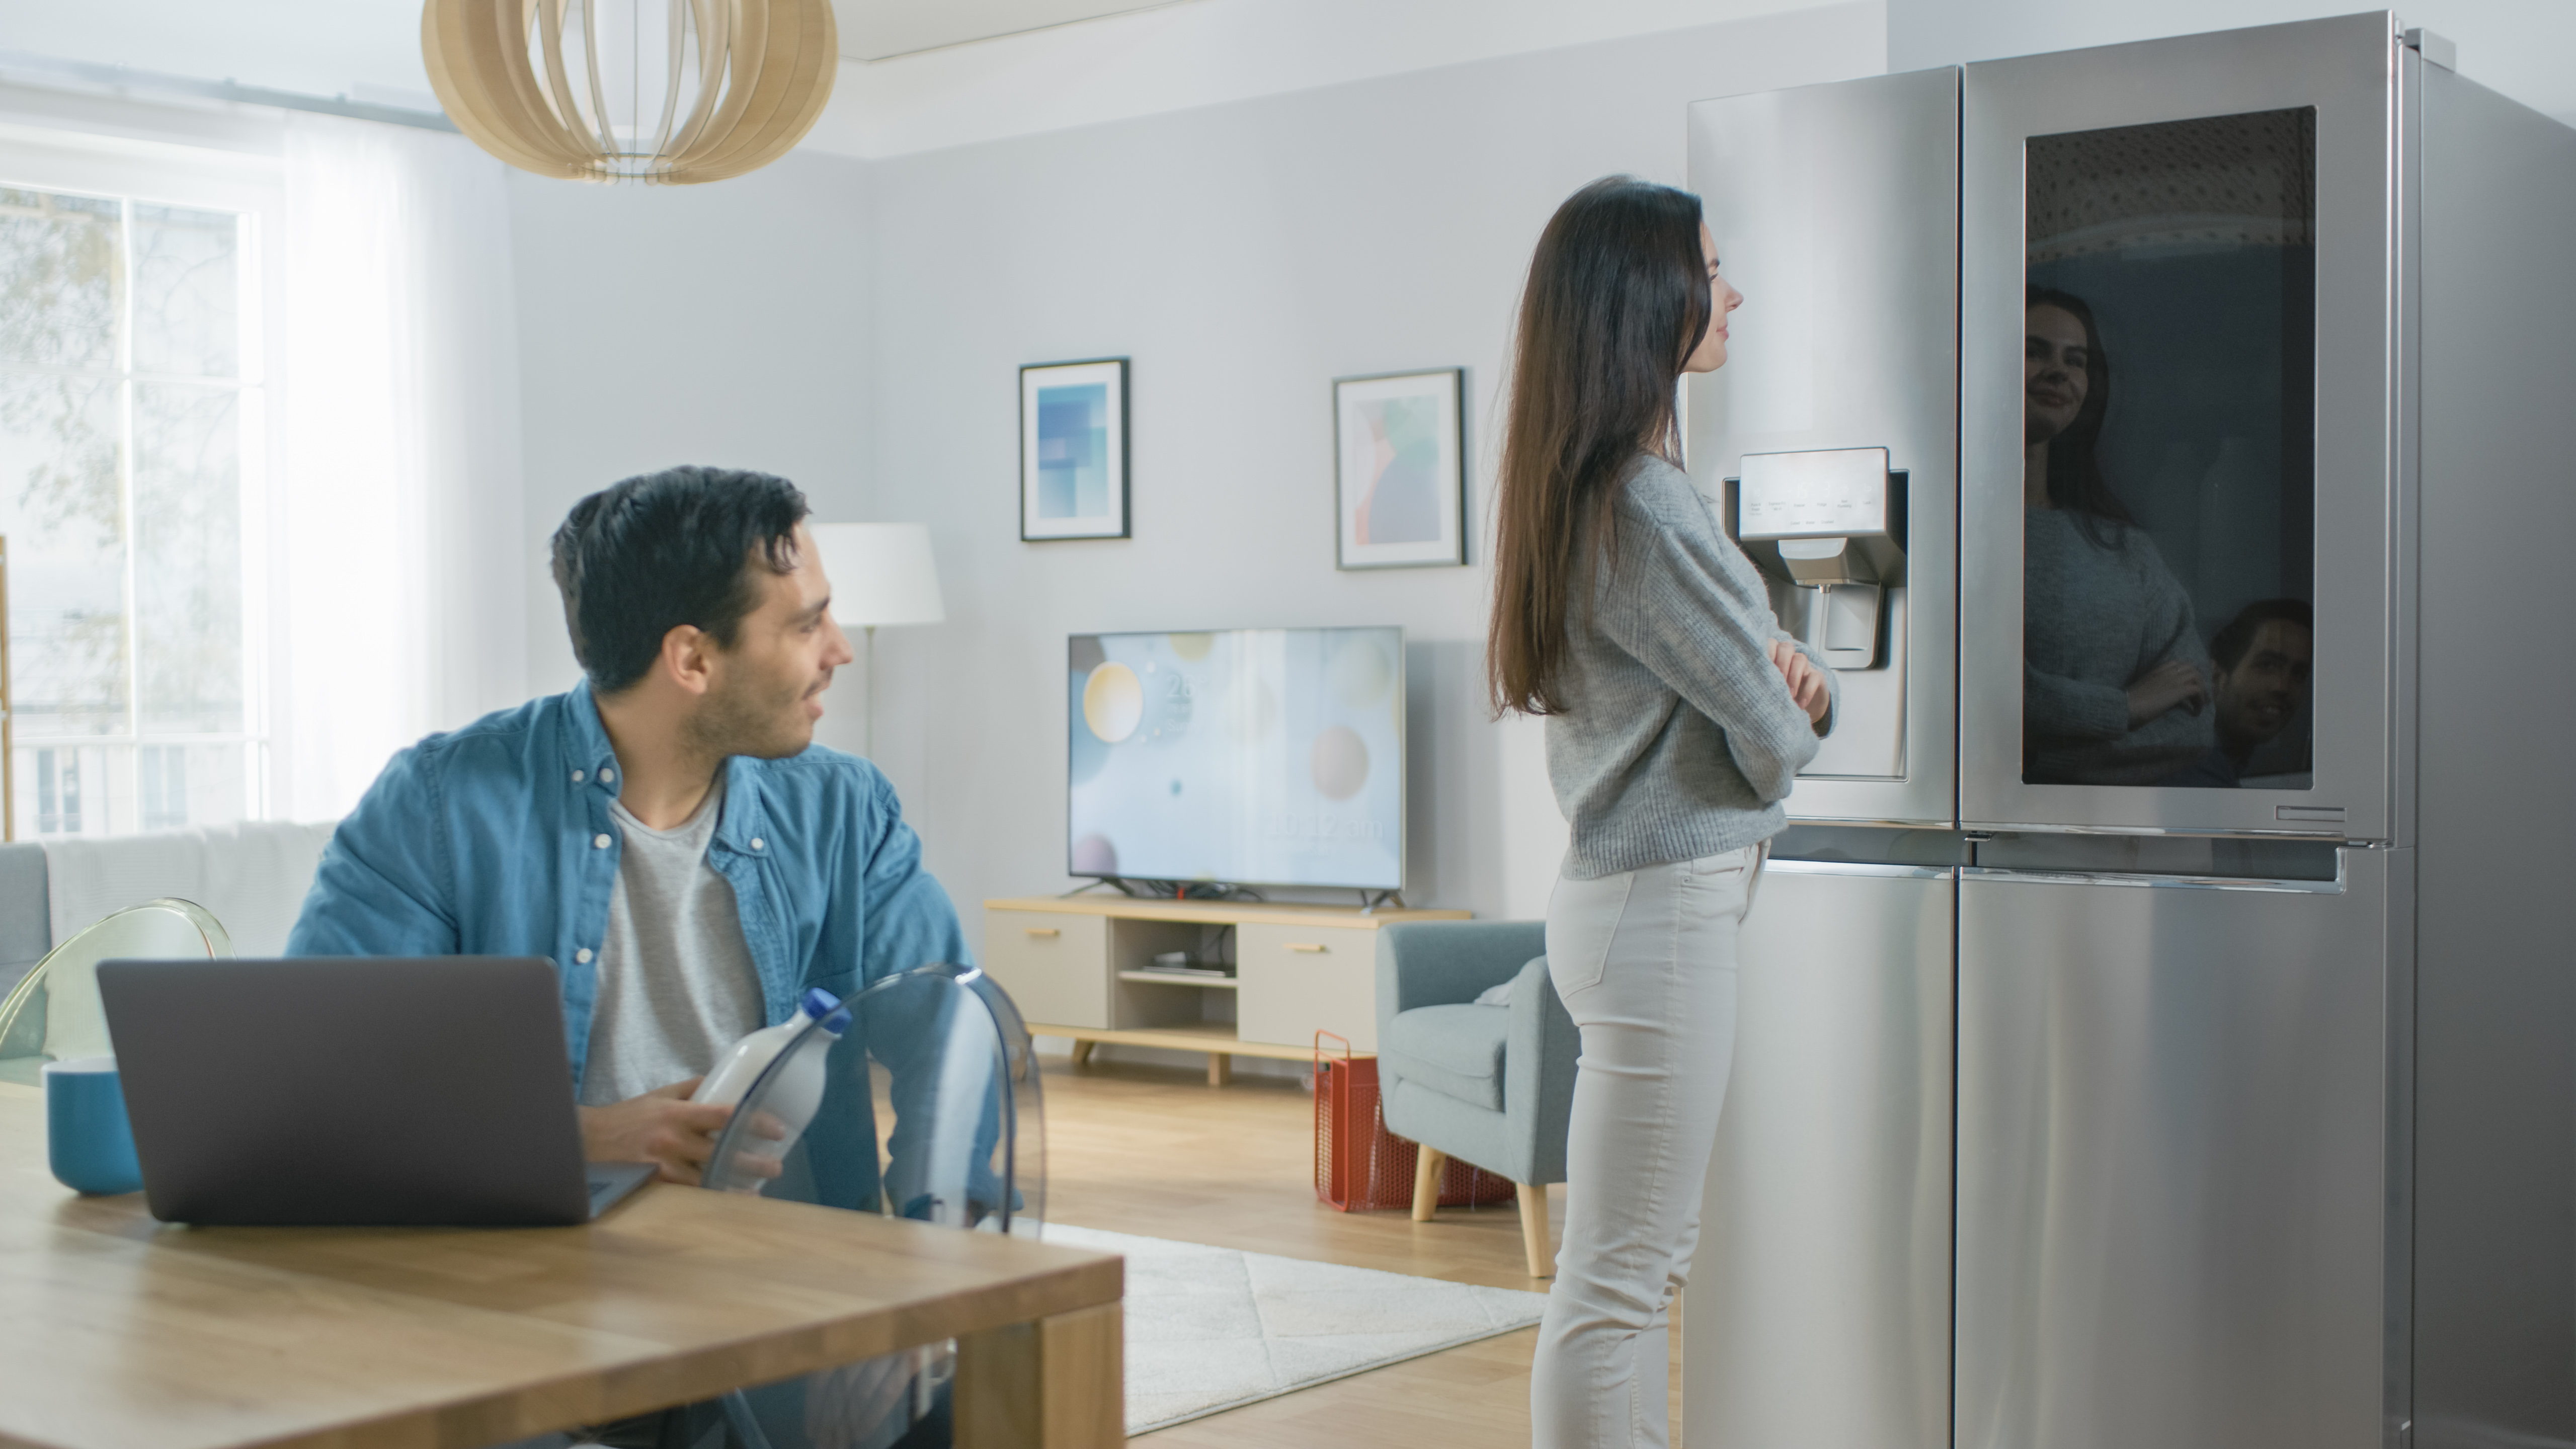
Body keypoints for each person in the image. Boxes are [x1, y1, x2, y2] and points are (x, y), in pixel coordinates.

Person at [287, 465, 969, 1449]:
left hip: (795, 1307)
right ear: (691, 658)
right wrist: (579, 1140)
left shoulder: (847, 812)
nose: (840, 651)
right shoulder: (440, 806)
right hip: (545, 1311)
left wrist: (914, 1298)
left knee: (997, 1400)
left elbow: (950, 1056)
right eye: (805, 624)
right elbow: (318, 1094)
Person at [1487, 175, 1835, 1449]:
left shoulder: (1597, 490)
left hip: (1629, 906)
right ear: (1648, 297)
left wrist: (1782, 682)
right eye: (1709, 266)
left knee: (1633, 1268)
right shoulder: (1644, 500)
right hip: (1663, 909)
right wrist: (1791, 693)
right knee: (1623, 1275)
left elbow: (1765, 687)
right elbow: (1775, 724)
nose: (1728, 289)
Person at [2021, 284, 2215, 785]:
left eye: (2076, 359)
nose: (2057, 371)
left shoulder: (2126, 553)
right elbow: (1977, 692)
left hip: (2114, 843)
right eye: (2031, 351)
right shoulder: (1948, 541)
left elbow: (2193, 717)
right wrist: (2124, 708)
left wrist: (2040, 765)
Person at [2163, 598, 2314, 787]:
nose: (2282, 687)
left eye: (2298, 674)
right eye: (2267, 665)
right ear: (2216, 675)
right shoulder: (2193, 769)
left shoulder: (2219, 764)